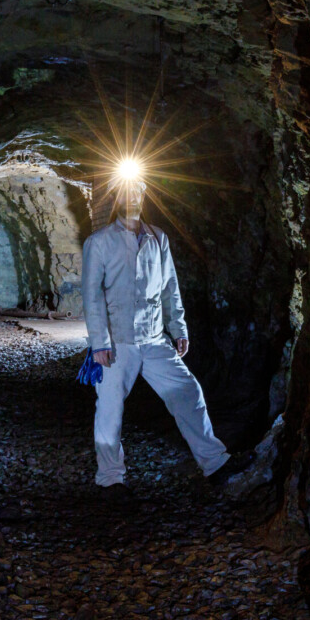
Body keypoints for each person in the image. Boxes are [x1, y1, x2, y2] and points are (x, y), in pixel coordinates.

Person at [80, 167, 242, 500]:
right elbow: (91, 295)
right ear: (117, 197)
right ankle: (110, 480)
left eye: (137, 191)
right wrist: (99, 343)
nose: (132, 197)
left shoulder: (158, 238)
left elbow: (170, 287)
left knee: (188, 392)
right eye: (125, 191)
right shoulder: (99, 243)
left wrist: (178, 328)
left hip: (154, 339)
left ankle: (214, 464)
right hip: (117, 342)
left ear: (143, 195)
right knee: (110, 410)